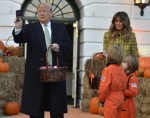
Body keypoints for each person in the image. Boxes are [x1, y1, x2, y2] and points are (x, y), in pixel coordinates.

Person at [12, 3, 72, 118]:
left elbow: (69, 45)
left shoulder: (60, 28)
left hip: (55, 75)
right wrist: (18, 28)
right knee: (36, 109)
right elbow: (19, 38)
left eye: (44, 11)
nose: (41, 13)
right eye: (39, 11)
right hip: (36, 75)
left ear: (51, 13)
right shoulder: (30, 28)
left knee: (56, 110)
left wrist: (59, 47)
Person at [98, 45, 127, 118]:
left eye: (107, 53)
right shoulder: (121, 69)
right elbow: (124, 84)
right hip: (120, 97)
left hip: (111, 98)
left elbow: (103, 88)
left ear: (110, 56)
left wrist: (101, 100)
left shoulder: (108, 70)